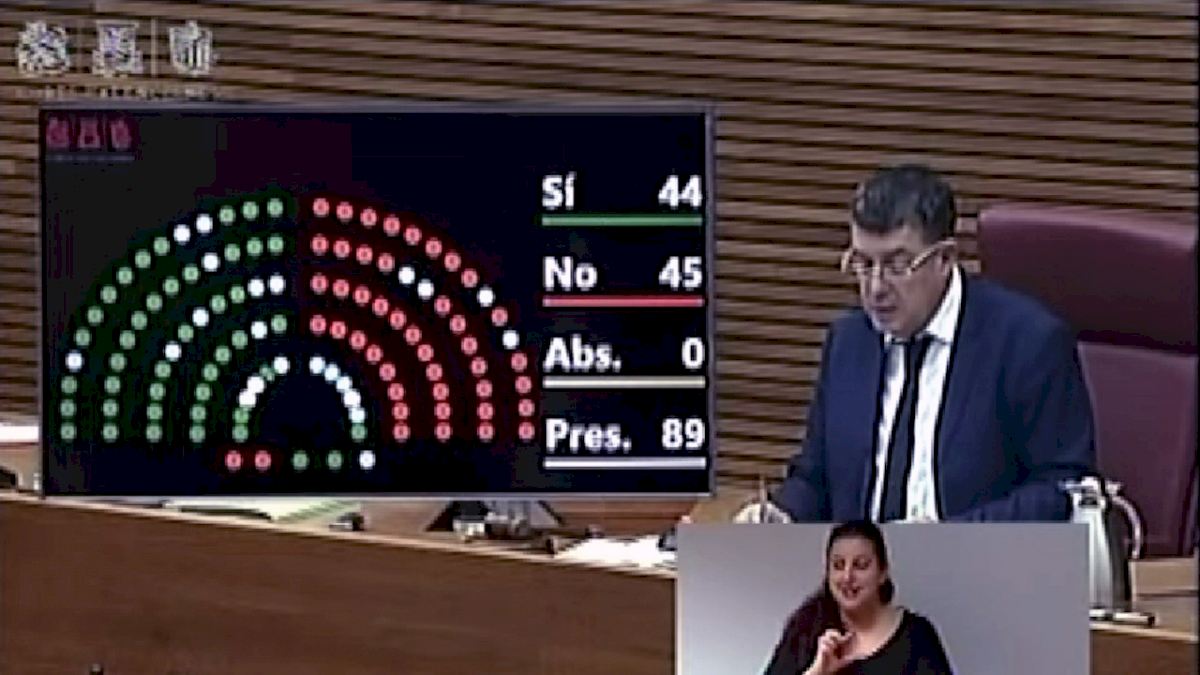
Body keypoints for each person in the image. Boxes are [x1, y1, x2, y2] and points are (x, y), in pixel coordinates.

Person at [739, 164, 1095, 523]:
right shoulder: (849, 341)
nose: (876, 287)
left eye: (897, 265)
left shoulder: (1026, 343)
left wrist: (942, 540)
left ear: (945, 259)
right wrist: (784, 515)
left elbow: (1059, 488)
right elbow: (815, 478)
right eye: (863, 263)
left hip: (974, 556)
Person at [764, 520, 952, 675]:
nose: (847, 576)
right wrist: (817, 672)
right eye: (838, 565)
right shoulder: (804, 629)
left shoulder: (917, 634)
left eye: (860, 565)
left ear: (882, 572)